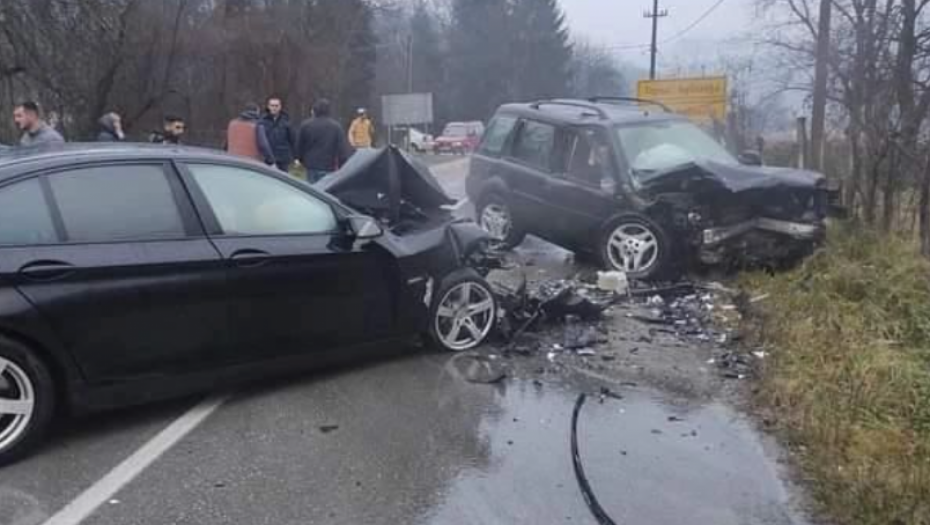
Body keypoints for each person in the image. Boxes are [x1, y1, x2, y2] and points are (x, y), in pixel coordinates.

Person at [296, 99, 351, 183]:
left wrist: (301, 159)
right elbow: (341, 149)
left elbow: (299, 145)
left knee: (311, 188)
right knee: (325, 188)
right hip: (328, 165)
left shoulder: (306, 125)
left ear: (314, 110)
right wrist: (342, 166)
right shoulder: (336, 127)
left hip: (311, 165)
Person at [261, 96, 295, 172]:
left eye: (276, 106)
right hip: (267, 158)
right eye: (272, 105)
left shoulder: (286, 121)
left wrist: (295, 156)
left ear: (280, 107)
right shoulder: (262, 121)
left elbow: (292, 139)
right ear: (268, 106)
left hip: (282, 158)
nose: (274, 108)